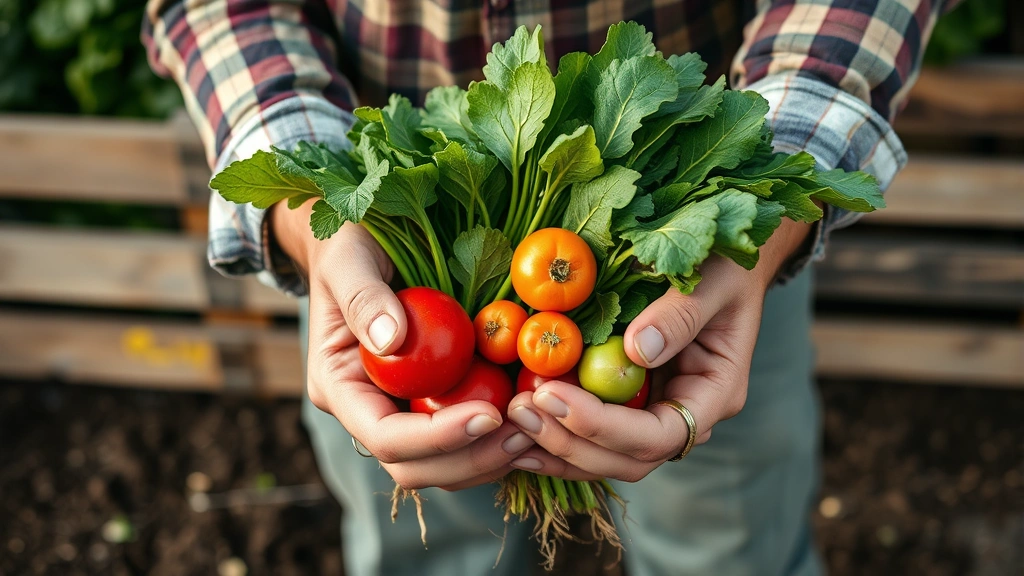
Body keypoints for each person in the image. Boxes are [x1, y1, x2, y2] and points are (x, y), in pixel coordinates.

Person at [144, 1, 951, 574]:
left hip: (708, 288)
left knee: (731, 545)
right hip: (374, 273)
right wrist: (312, 209)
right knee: (424, 557)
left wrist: (766, 224)